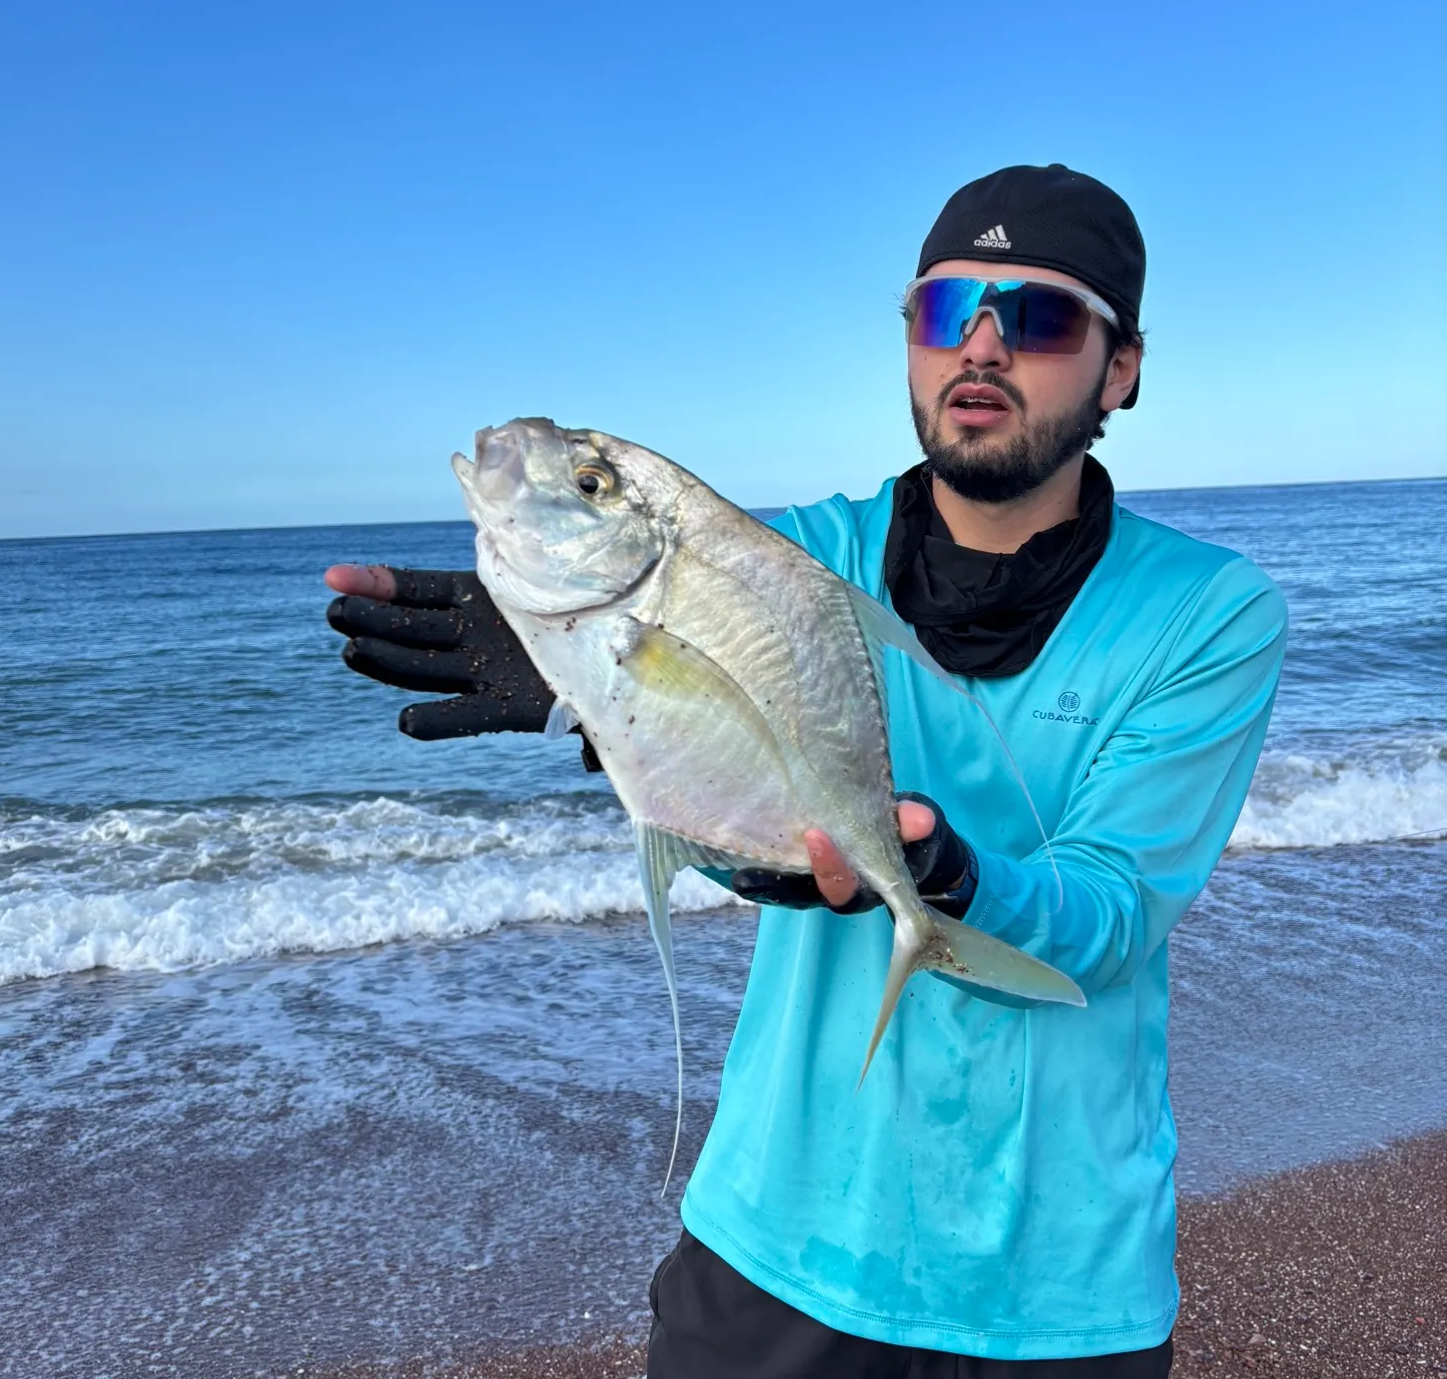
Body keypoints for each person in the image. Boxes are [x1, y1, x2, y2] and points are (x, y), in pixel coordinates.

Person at [324, 164, 1287, 1378]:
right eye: (946, 312)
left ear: (1123, 367)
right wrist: (592, 685)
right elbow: (738, 814)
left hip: (1056, 1283)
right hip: (774, 1243)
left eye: (1036, 317)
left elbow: (1110, 918)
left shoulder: (1209, 611)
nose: (980, 347)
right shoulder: (785, 560)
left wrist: (936, 875)